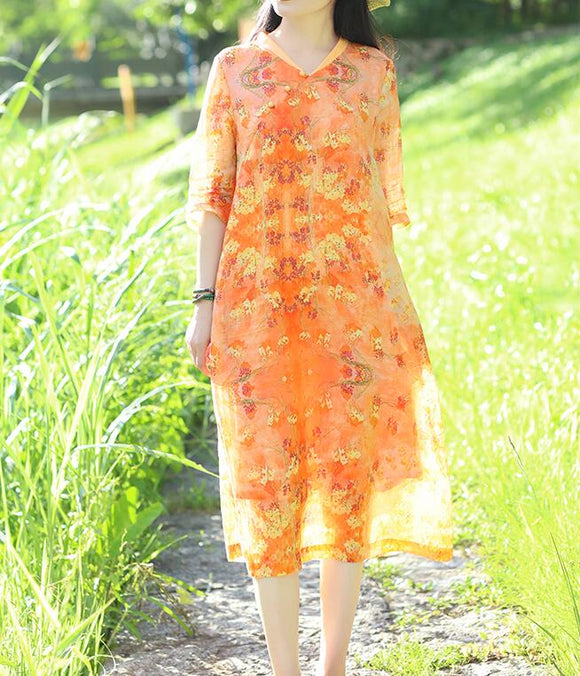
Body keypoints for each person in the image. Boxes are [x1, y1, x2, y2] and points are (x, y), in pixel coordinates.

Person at [185, 1, 454, 674]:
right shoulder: (234, 70)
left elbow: (377, 209)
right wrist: (204, 304)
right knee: (267, 489)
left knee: (345, 487)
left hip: (353, 314)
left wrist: (391, 318)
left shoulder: (372, 73)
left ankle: (333, 665)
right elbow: (215, 195)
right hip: (256, 311)